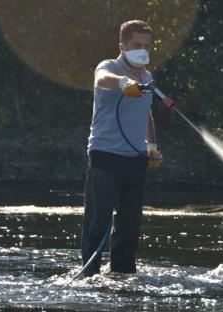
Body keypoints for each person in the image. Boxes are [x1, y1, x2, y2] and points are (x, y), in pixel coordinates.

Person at [80, 19, 172, 276]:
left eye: (146, 46)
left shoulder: (147, 76)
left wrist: (151, 145)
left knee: (129, 226)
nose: (142, 50)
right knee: (98, 223)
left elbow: (147, 113)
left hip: (136, 159)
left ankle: (123, 275)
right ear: (122, 45)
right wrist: (122, 83)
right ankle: (90, 276)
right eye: (136, 45)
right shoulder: (110, 66)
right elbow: (102, 80)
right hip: (105, 156)